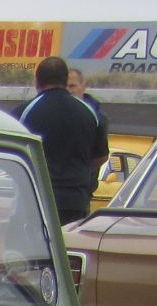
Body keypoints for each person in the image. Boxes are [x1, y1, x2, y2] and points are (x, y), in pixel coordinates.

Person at [15, 56, 104, 224]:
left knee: (31, 248)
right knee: (67, 247)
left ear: (37, 82)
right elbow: (100, 157)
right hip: (76, 200)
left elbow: (12, 152)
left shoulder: (25, 112)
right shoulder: (89, 113)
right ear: (65, 81)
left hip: (36, 197)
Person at [67, 66, 112, 203]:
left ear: (83, 86)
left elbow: (101, 156)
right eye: (64, 87)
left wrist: (79, 171)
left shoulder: (97, 118)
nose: (68, 90)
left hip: (81, 193)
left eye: (72, 86)